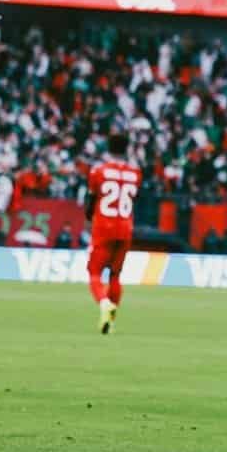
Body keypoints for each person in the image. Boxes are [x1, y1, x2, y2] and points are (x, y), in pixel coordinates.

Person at [85, 134, 141, 335]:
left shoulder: (98, 171)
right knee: (116, 276)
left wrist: (89, 217)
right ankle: (110, 321)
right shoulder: (135, 173)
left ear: (108, 148)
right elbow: (135, 198)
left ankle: (104, 304)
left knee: (94, 273)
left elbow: (90, 200)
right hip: (125, 227)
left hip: (103, 227)